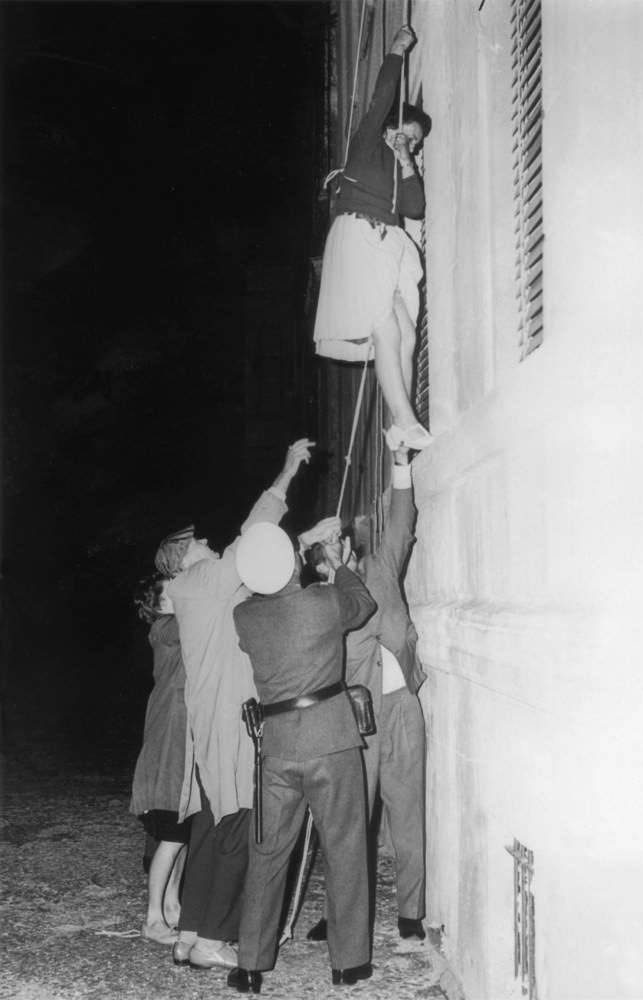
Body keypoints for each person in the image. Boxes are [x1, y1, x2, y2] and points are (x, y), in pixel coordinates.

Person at [154, 438, 314, 971]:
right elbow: (252, 540)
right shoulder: (201, 580)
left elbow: (260, 570)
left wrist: (307, 541)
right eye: (197, 540)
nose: (206, 541)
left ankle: (191, 930)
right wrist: (286, 472)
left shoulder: (202, 591)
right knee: (238, 824)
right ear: (182, 556)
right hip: (230, 721)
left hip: (214, 719)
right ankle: (212, 940)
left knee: (208, 827)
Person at [226, 522, 377, 994]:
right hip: (331, 741)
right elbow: (364, 604)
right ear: (294, 563)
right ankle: (348, 965)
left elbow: (270, 590)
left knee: (268, 853)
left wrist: (299, 553)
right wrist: (335, 566)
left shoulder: (244, 617)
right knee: (346, 849)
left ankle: (250, 964)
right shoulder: (323, 602)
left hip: (276, 750)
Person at [305, 447, 427, 943]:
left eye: (339, 539)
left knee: (409, 812)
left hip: (402, 709)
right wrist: (317, 549)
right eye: (328, 546)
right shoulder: (322, 598)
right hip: (359, 718)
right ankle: (340, 915)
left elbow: (401, 520)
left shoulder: (380, 566)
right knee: (351, 822)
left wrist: (399, 462)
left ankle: (411, 911)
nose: (339, 543)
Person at [313, 24, 434, 453]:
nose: (411, 145)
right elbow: (382, 96)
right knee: (384, 326)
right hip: (358, 232)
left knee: (406, 332)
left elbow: (415, 207)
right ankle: (405, 419)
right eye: (408, 136)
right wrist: (397, 50)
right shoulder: (365, 147)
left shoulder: (400, 168)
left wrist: (407, 163)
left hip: (383, 242)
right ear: (390, 127)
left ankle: (399, 421)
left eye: (417, 144)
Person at [130, 575, 191, 945]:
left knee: (183, 833)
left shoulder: (172, 625)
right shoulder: (166, 626)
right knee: (171, 832)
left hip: (181, 734)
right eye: (173, 590)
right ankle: (153, 918)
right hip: (170, 737)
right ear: (159, 603)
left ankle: (172, 906)